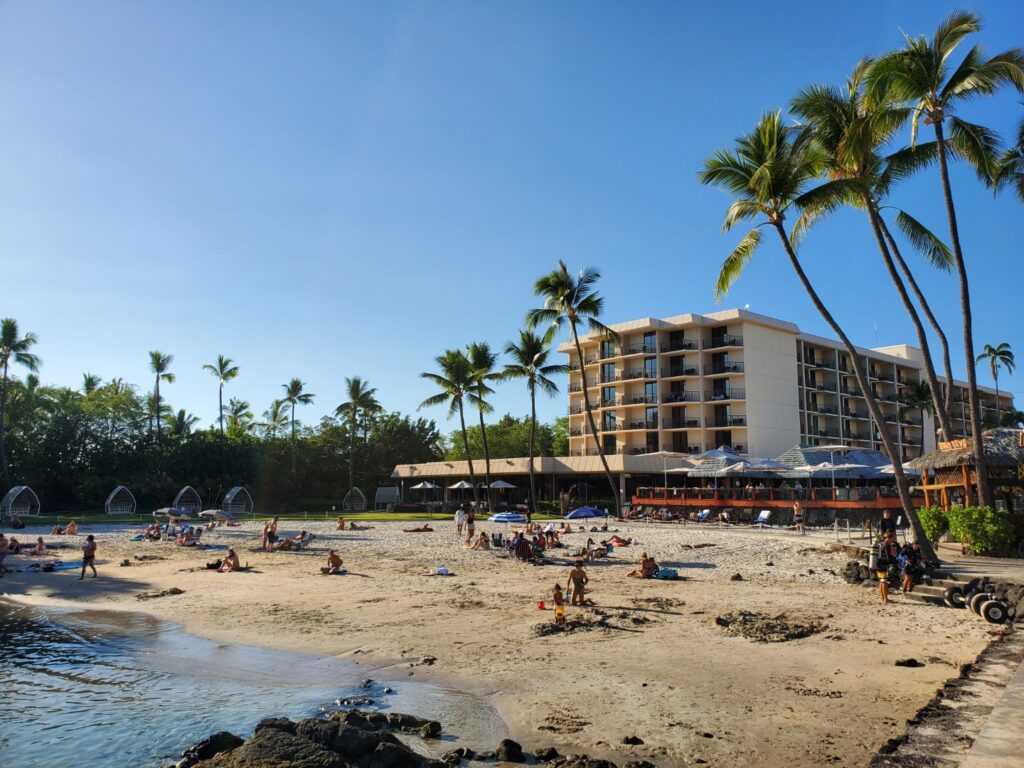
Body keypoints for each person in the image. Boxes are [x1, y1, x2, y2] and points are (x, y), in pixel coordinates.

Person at [875, 531, 900, 604]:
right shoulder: (887, 545)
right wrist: (895, 561)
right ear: (890, 538)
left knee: (881, 582)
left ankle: (883, 598)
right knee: (884, 583)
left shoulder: (881, 544)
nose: (893, 540)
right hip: (884, 566)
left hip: (878, 565)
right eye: (893, 538)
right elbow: (888, 557)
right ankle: (886, 599)